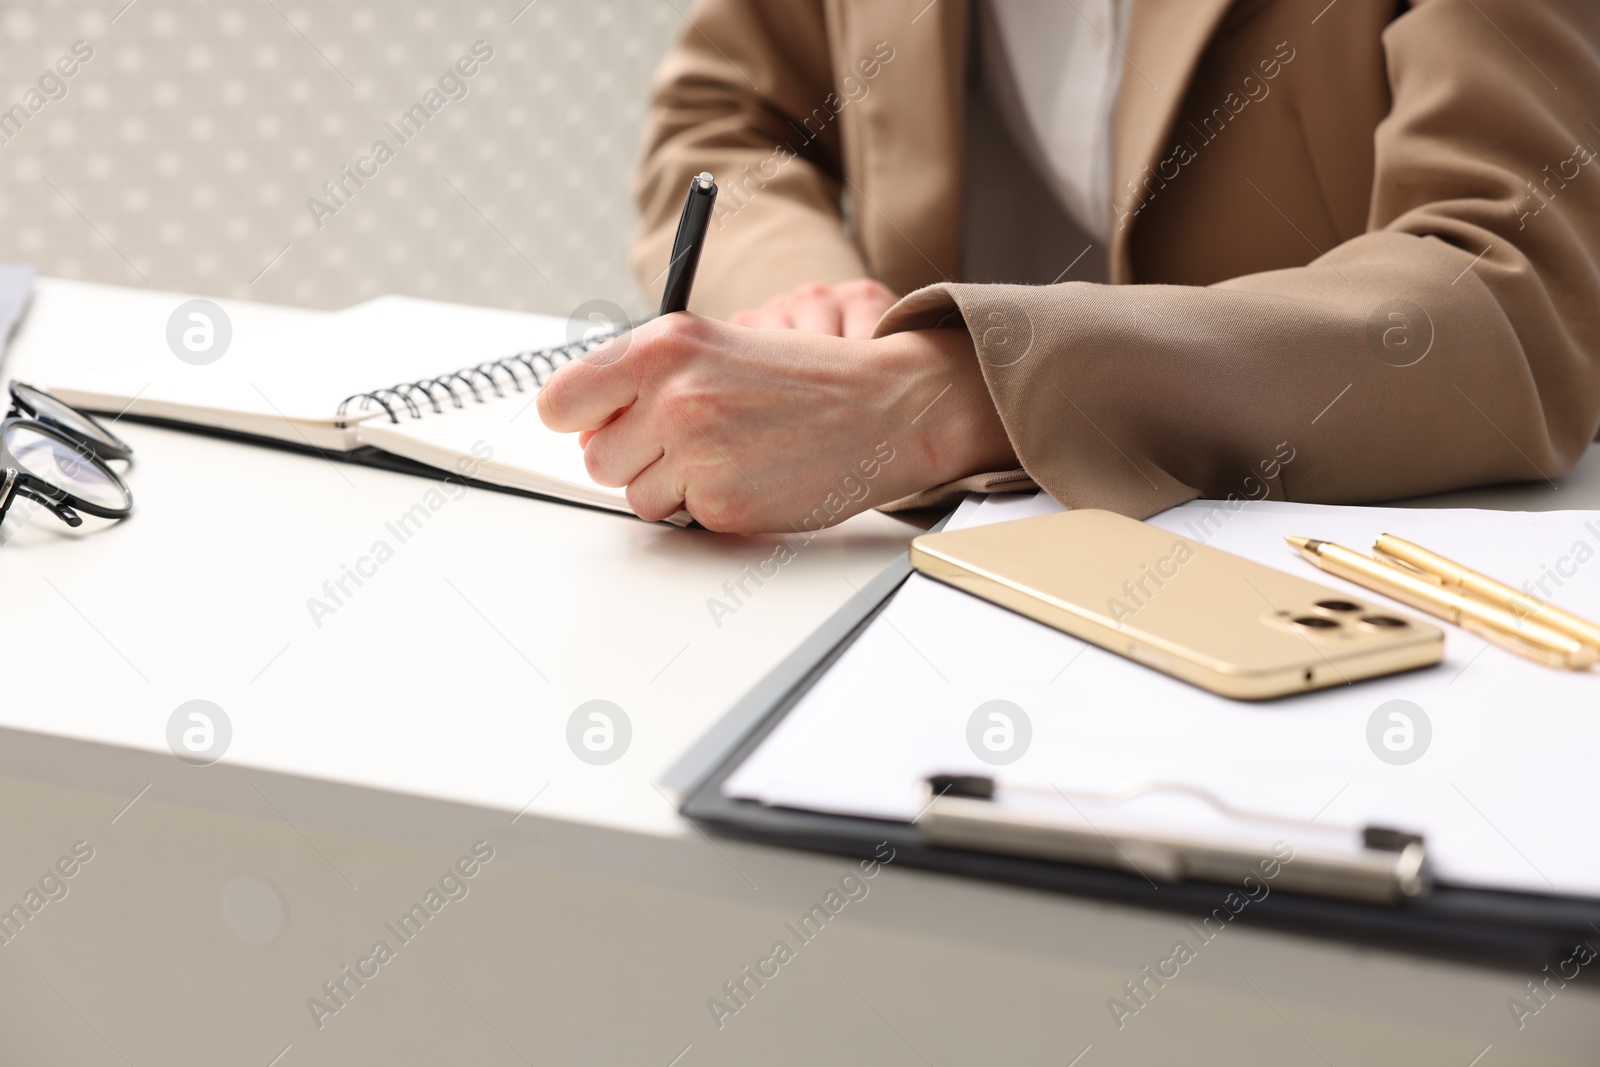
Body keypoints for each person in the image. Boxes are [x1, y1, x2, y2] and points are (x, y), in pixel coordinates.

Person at [538, 0, 1600, 535]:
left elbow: (1511, 283)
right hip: (923, 558)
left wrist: (955, 390)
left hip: (1331, 552)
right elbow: (722, 118)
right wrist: (811, 297)